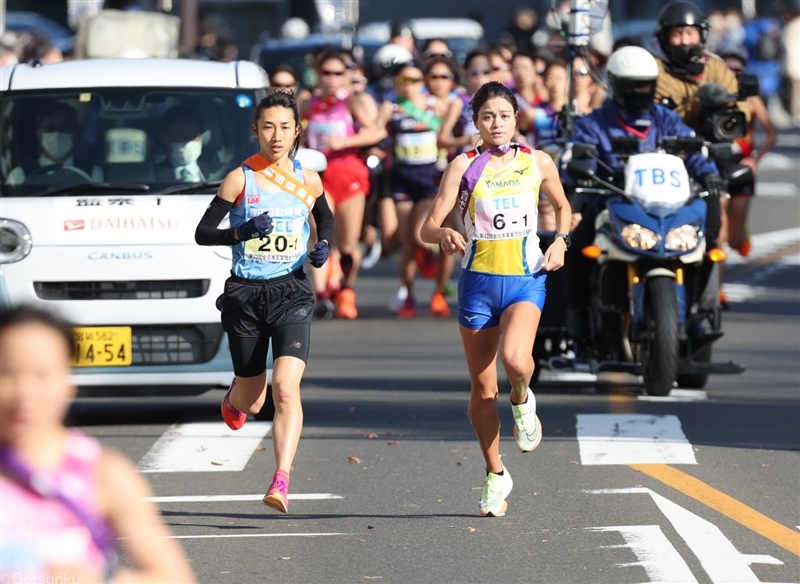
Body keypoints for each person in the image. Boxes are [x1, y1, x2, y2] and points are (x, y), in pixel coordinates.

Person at [421, 81, 572, 517]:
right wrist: (444, 232)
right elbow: (427, 227)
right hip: (478, 283)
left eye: (504, 116)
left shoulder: (537, 161)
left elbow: (563, 206)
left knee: (516, 359)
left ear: (516, 119)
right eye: (488, 117)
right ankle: (495, 473)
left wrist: (560, 241)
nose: (497, 124)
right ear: (477, 122)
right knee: (483, 389)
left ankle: (523, 399)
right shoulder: (462, 166)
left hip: (526, 278)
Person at [194, 90, 335, 513]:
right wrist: (241, 231)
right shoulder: (241, 178)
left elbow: (323, 216)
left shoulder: (308, 178)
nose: (277, 136)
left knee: (286, 389)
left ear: (297, 131)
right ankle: (235, 395)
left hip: (291, 291)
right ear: (255, 130)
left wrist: (323, 242)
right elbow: (203, 232)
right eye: (268, 127)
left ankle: (281, 479)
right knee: (253, 400)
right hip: (246, 295)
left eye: (285, 128)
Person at [0, 305, 196, 583]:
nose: (25, 393)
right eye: (7, 373)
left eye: (42, 374)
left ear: (67, 381)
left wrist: (101, 579)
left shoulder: (103, 473)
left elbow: (174, 577)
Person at [563, 46, 723, 341]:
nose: (640, 91)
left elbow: (693, 150)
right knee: (575, 245)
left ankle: (694, 314)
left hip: (668, 207)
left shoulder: (667, 119)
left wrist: (708, 172)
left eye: (646, 85)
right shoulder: (594, 123)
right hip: (609, 204)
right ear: (615, 84)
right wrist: (579, 172)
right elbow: (572, 157)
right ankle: (579, 312)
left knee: (706, 244)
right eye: (632, 85)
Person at [652, 0, 748, 267]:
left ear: (702, 35)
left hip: (707, 149)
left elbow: (739, 109)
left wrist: (719, 110)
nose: (684, 40)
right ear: (664, 38)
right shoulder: (655, 70)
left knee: (718, 186)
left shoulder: (716, 67)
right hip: (664, 152)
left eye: (690, 33)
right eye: (677, 33)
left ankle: (712, 250)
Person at [299, 49, 384, 320]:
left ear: (347, 76)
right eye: (326, 73)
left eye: (338, 73)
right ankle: (322, 296)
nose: (332, 78)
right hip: (318, 177)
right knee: (320, 235)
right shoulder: (307, 104)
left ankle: (346, 289)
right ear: (317, 74)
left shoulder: (353, 102)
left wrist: (344, 143)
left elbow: (376, 131)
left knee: (348, 244)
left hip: (349, 175)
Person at [377, 61, 453, 319]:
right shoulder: (392, 107)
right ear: (396, 84)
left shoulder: (437, 106)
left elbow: (451, 129)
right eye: (403, 81)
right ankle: (409, 295)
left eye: (414, 81)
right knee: (407, 244)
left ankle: (439, 292)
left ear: (423, 82)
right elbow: (376, 131)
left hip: (429, 179)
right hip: (402, 179)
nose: (409, 87)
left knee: (423, 237)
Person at [717, 49, 778, 305]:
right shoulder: (711, 97)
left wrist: (754, 159)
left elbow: (771, 133)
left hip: (741, 168)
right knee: (718, 236)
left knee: (734, 239)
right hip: (717, 167)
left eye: (738, 72)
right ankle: (717, 291)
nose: (733, 76)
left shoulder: (751, 99)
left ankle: (742, 234)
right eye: (728, 71)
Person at [7, 101, 103, 186]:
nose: (57, 133)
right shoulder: (20, 175)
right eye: (50, 128)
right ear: (38, 134)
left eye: (64, 127)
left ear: (76, 133)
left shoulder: (92, 173)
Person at [156, 105, 209, 183]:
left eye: (193, 133)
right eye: (179, 134)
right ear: (165, 138)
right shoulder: (152, 175)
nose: (187, 139)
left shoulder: (221, 174)